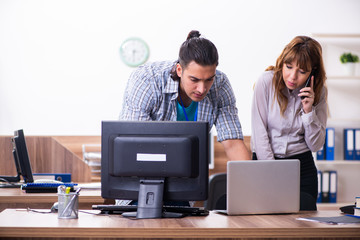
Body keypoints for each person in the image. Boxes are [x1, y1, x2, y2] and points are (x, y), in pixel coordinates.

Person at [120, 30, 250, 161]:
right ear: (179, 70)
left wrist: (250, 179)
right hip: (146, 164)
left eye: (209, 79)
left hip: (190, 167)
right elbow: (132, 140)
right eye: (194, 80)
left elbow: (233, 144)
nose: (202, 89)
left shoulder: (220, 84)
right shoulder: (147, 80)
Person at [251, 36, 328, 210]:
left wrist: (309, 112)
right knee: (264, 224)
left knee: (302, 228)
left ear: (312, 72)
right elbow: (259, 132)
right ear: (282, 62)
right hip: (265, 165)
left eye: (302, 71)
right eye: (288, 67)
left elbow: (315, 145)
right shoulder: (266, 82)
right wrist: (273, 173)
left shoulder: (319, 91)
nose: (292, 76)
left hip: (302, 169)